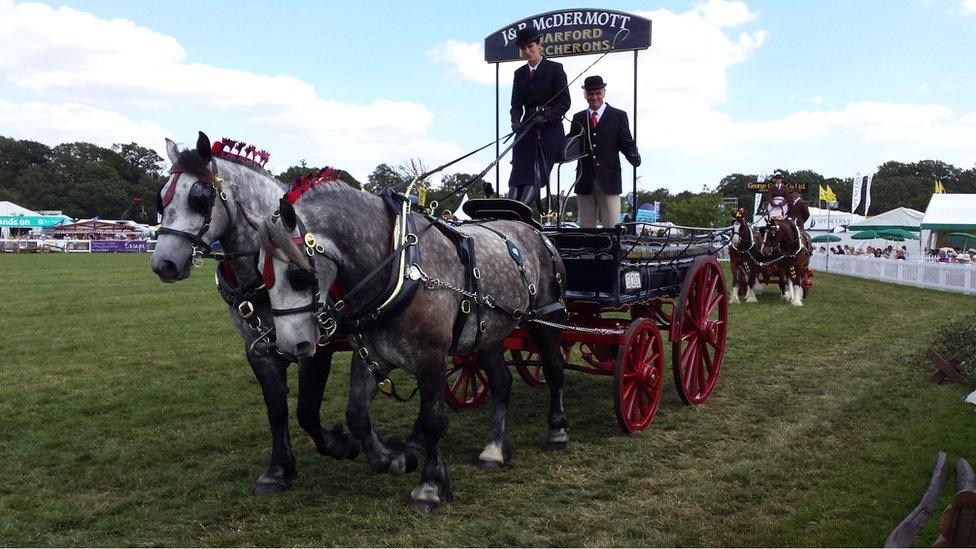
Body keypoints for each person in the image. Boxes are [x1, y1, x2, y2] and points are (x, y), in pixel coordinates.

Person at [507, 27, 571, 206]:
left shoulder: (555, 69)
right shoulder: (519, 74)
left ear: (539, 44)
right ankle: (509, 206)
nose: (527, 51)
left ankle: (520, 210)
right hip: (526, 126)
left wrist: (546, 117)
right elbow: (515, 105)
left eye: (530, 47)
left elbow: (565, 102)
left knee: (533, 172)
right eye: (523, 48)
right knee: (518, 169)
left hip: (549, 128)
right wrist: (515, 121)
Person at [567, 75, 640, 228]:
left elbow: (626, 142)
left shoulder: (618, 116)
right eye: (590, 94)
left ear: (604, 93)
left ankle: (611, 253)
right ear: (585, 95)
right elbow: (571, 145)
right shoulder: (578, 118)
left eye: (598, 93)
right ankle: (586, 253)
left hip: (609, 179)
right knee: (586, 229)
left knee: (612, 227)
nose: (594, 97)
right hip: (584, 180)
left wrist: (633, 154)